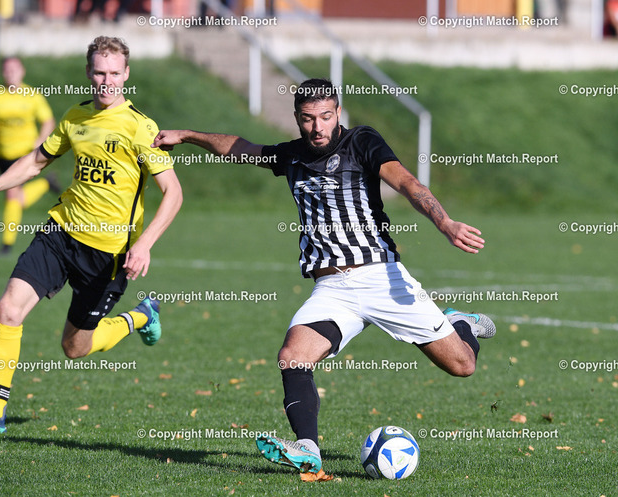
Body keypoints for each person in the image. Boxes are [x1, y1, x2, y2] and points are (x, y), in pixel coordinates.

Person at [151, 78, 494, 480]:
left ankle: (460, 323)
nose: (317, 127)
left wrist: (445, 222)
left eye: (326, 117)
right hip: (332, 289)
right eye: (308, 119)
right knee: (292, 357)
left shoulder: (361, 141)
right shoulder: (292, 155)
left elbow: (407, 183)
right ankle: (308, 449)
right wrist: (187, 136)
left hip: (380, 277)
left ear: (338, 113)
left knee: (462, 365)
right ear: (297, 118)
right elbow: (240, 148)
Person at [0, 36, 183, 434]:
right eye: (99, 72)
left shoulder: (140, 127)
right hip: (60, 233)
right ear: (89, 72)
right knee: (8, 309)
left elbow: (173, 193)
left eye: (114, 73)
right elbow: (36, 160)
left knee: (74, 348)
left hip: (107, 255)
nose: (107, 81)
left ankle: (141, 315)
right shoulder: (76, 117)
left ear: (126, 74)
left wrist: (144, 244)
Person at [0, 56, 58, 256]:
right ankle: (45, 184)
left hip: (24, 155)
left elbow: (48, 121)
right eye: (7, 69)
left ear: (22, 71)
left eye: (14, 69)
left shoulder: (32, 95)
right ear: (2, 73)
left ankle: (6, 244)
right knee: (16, 198)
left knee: (12, 195)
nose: (11, 73)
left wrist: (40, 140)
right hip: (2, 155)